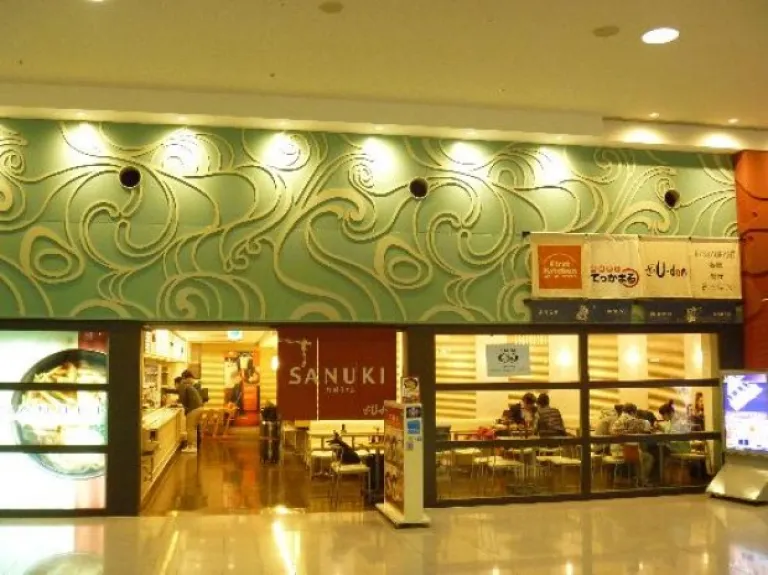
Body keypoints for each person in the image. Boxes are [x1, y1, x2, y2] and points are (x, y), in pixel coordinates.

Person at [610, 403, 654, 485]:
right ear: (632, 412)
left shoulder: (619, 419)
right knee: (648, 457)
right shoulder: (631, 420)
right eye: (635, 413)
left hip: (614, 450)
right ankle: (642, 480)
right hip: (624, 451)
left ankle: (639, 479)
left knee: (639, 454)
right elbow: (647, 425)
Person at [176, 374, 204, 454]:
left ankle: (191, 447)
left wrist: (178, 403)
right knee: (193, 429)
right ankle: (193, 447)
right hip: (199, 408)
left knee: (190, 429)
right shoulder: (188, 386)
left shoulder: (182, 386)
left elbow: (182, 400)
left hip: (193, 409)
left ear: (177, 383)